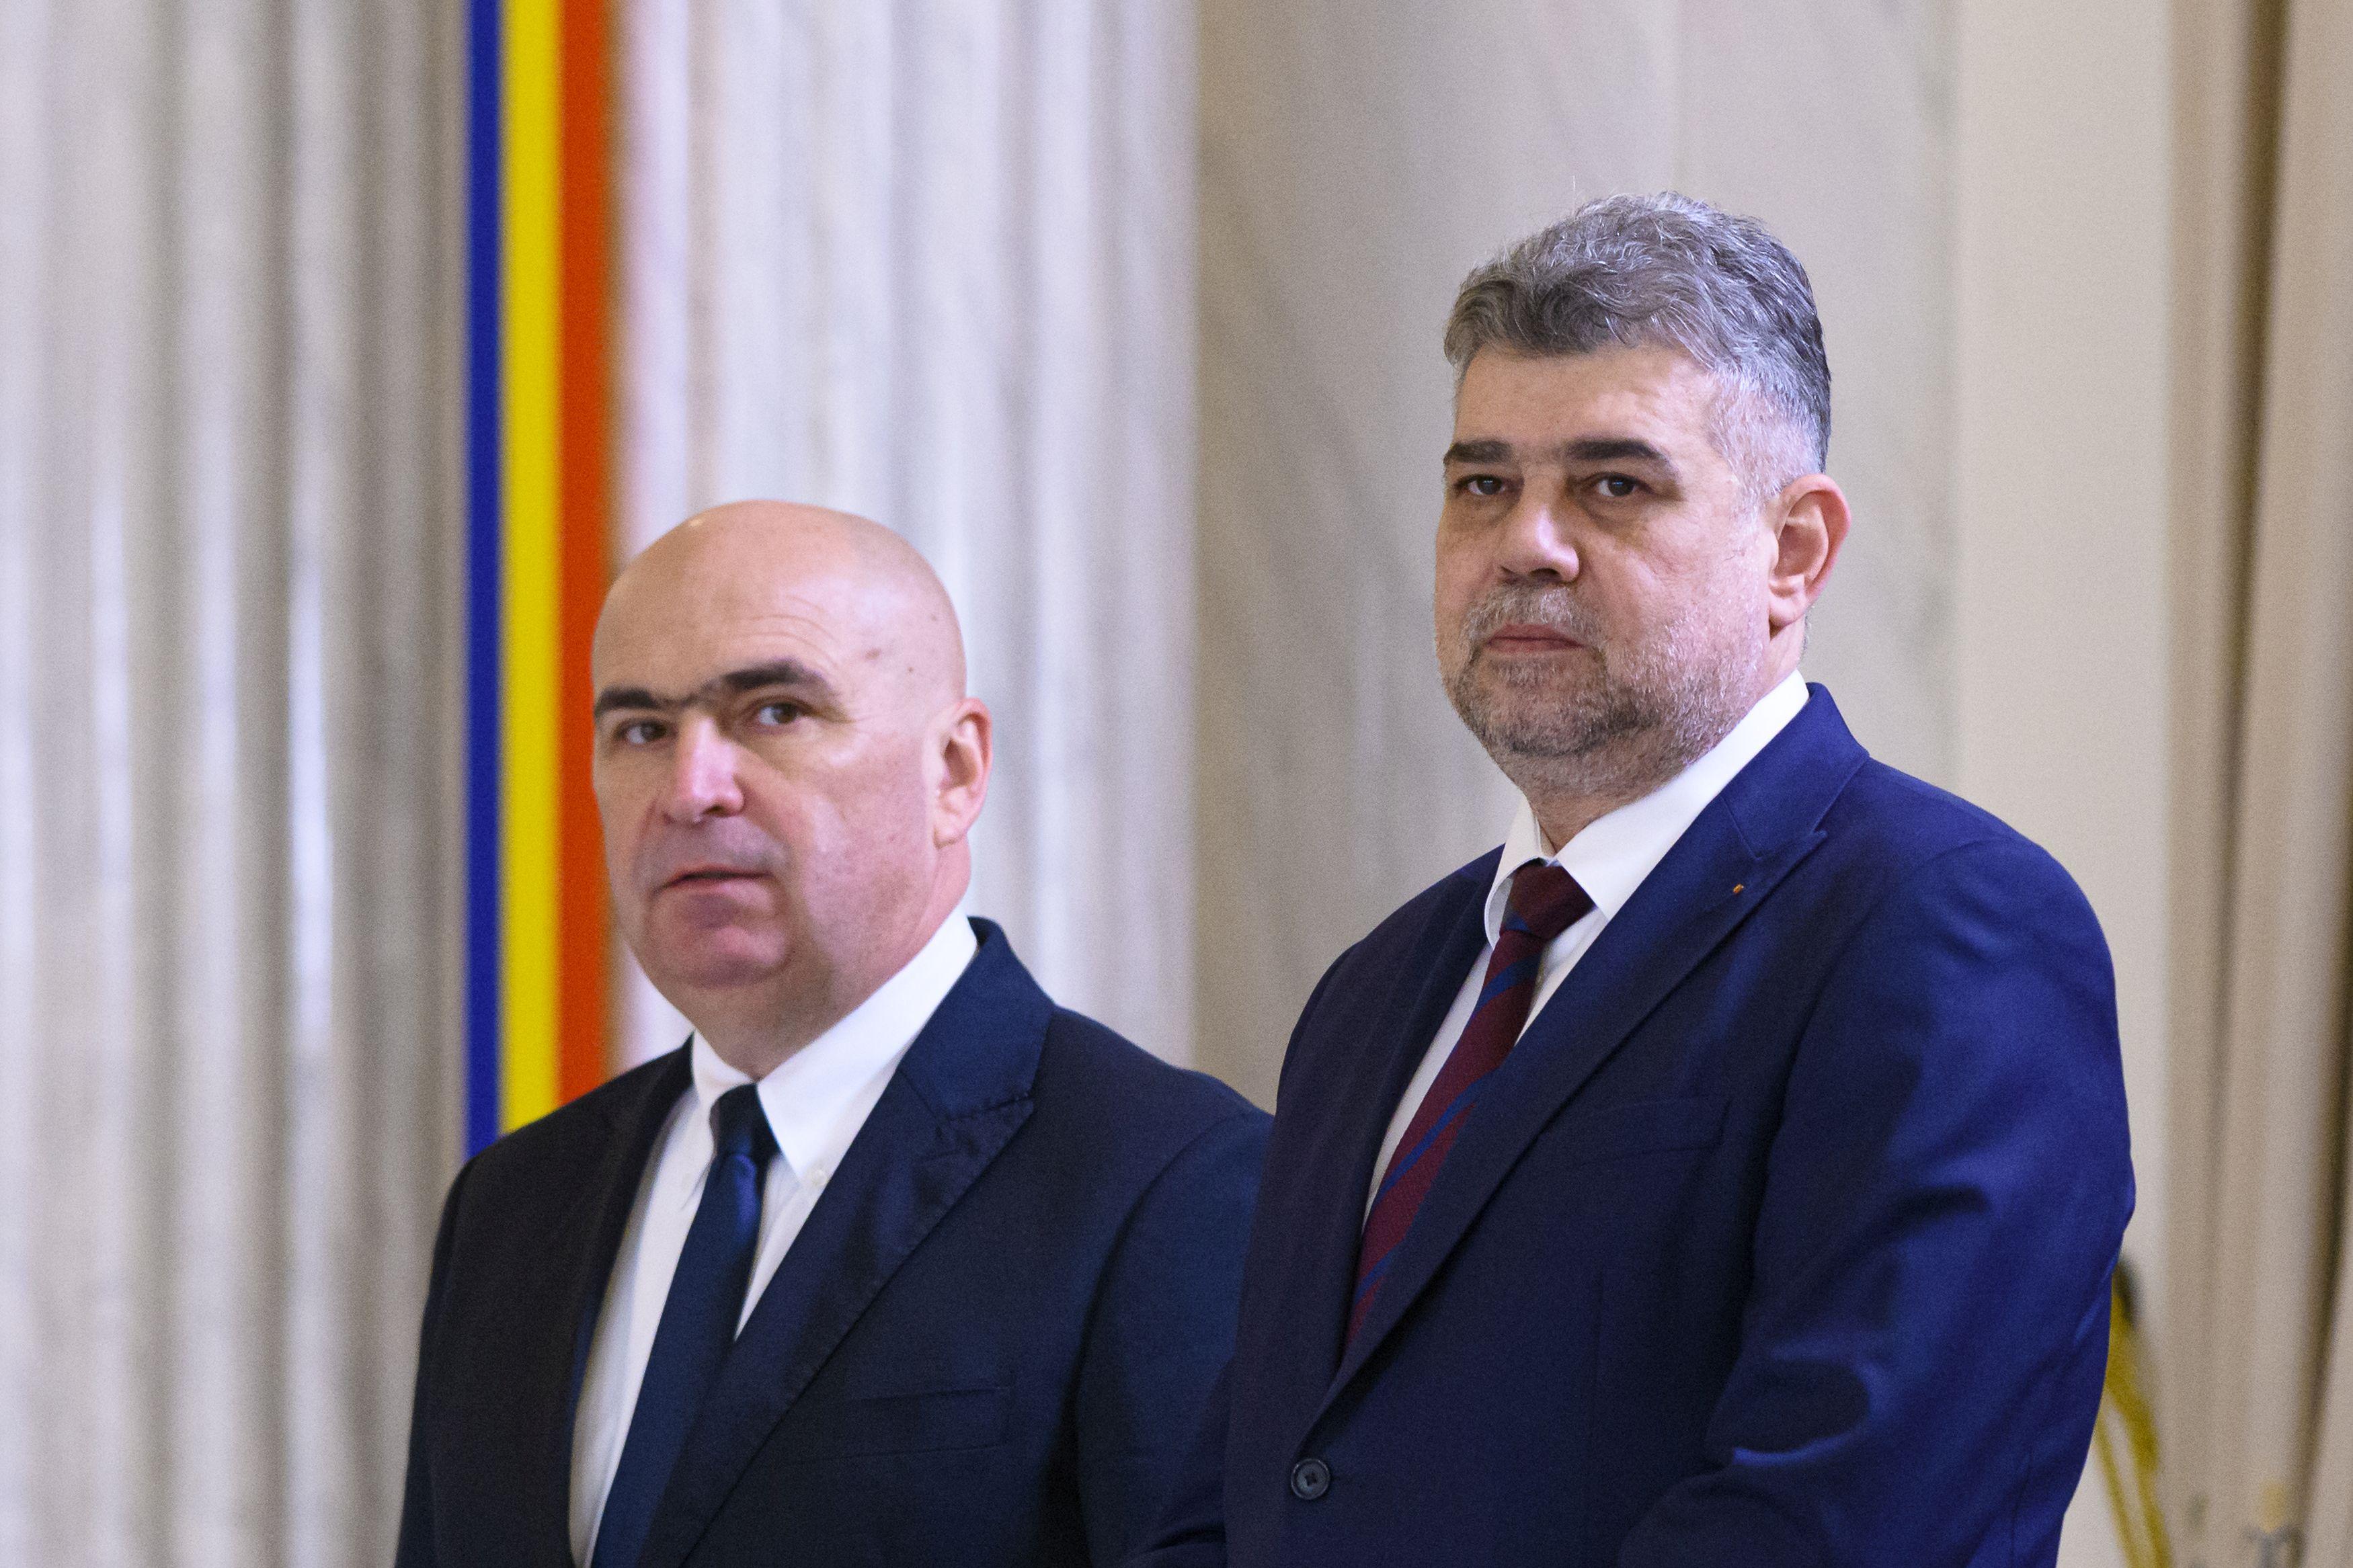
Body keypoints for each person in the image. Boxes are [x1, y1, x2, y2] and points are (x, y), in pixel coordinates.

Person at [1133, 194, 2132, 1567]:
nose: (1526, 544)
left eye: (1613, 485)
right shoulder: (1377, 991)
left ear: (1794, 551)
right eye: (1482, 484)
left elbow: (1838, 1524)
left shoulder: (1944, 928)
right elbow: (1244, 1502)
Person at [397, 502, 1267, 1568]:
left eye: (775, 712)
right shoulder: (510, 1204)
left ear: (955, 771)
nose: (690, 788)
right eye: (641, 730)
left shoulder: (1169, 1184)